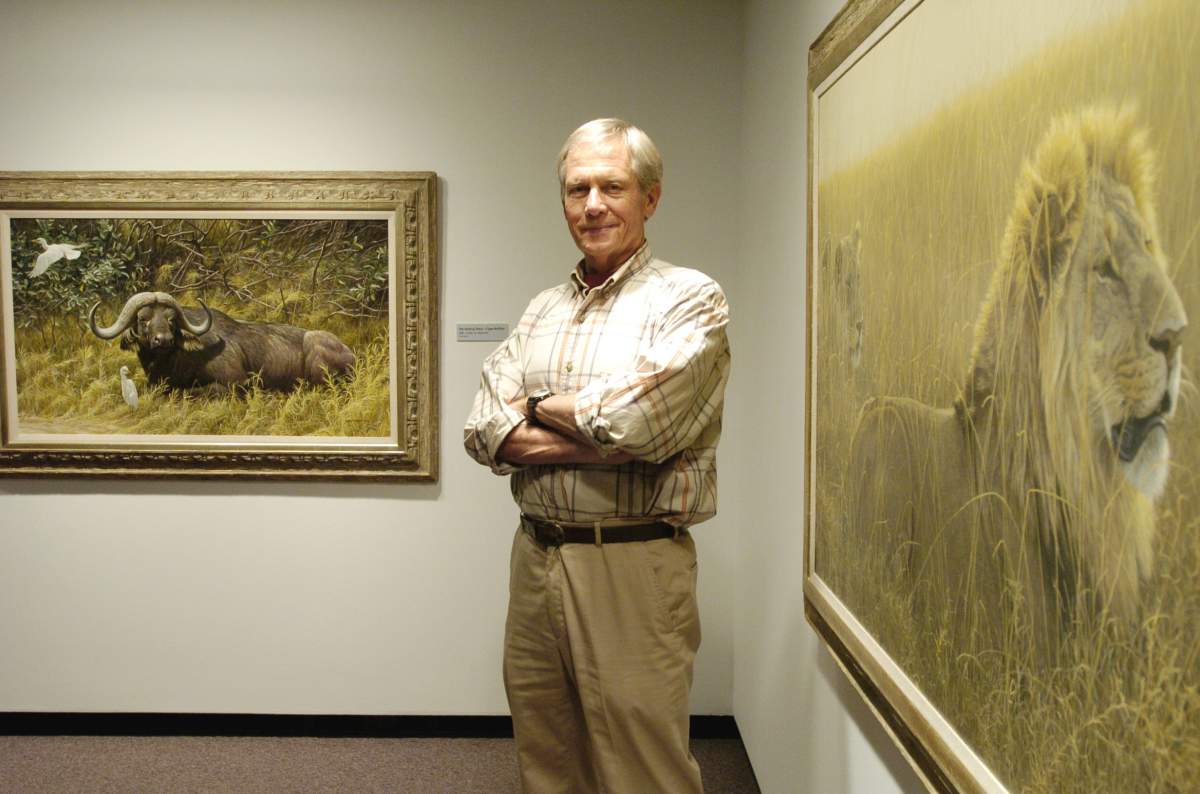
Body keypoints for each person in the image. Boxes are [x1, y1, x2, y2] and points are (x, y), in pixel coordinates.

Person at [464, 118, 730, 793]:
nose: (592, 205)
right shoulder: (541, 311)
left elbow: (634, 422)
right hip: (536, 558)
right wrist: (596, 434)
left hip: (632, 561)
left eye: (612, 186)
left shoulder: (688, 299)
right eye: (577, 189)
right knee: (547, 755)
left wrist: (536, 404)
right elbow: (480, 428)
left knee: (643, 764)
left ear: (651, 196)